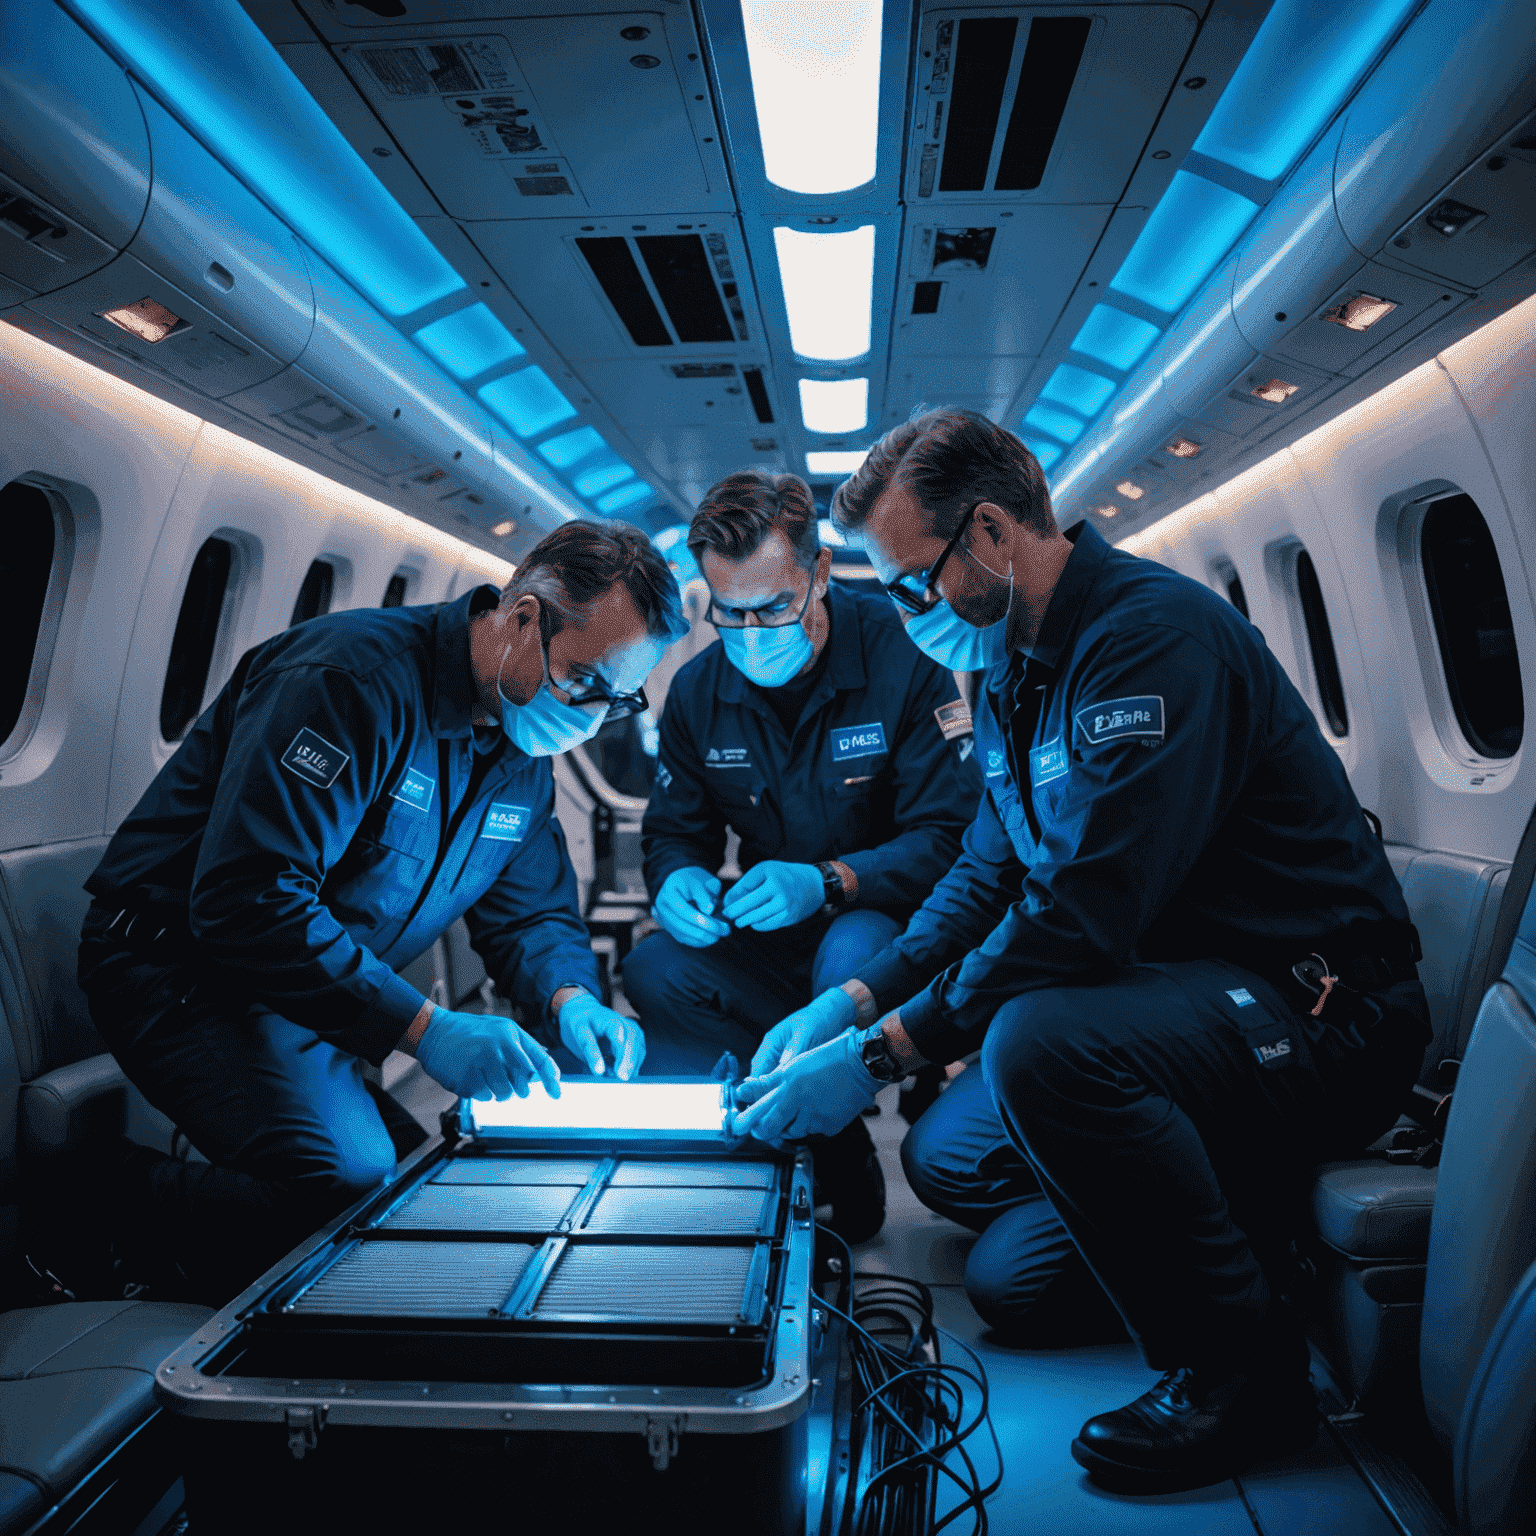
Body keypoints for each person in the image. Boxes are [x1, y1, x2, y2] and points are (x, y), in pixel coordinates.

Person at [733, 409, 1429, 1493]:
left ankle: (1246, 1375)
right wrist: (853, 1001)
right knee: (959, 1184)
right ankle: (1228, 1212)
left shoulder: (1151, 640)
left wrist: (875, 1063)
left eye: (914, 583)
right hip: (1183, 1008)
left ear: (994, 535)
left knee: (1039, 1046)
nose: (909, 615)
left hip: (1319, 1017)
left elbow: (1080, 914)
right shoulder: (1015, 670)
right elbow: (986, 871)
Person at [71, 521, 685, 1304]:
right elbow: (247, 897)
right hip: (180, 970)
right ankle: (101, 1204)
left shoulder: (523, 760)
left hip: (311, 996)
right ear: (524, 618)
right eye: (585, 683)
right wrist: (428, 1030)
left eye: (620, 700)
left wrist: (572, 1000)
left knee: (413, 1186)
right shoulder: (348, 683)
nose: (593, 720)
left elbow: (531, 916)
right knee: (340, 1189)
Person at [623, 471, 981, 1242]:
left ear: (818, 576)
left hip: (876, 922)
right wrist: (677, 876)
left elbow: (949, 839)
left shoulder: (903, 656)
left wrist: (828, 879)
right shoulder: (695, 691)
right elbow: (673, 830)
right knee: (653, 968)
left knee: (849, 952)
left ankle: (827, 1105)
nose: (752, 633)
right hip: (767, 928)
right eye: (729, 614)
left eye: (772, 608)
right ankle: (835, 1138)